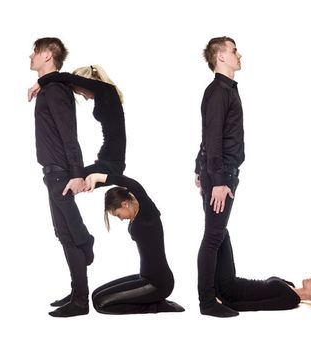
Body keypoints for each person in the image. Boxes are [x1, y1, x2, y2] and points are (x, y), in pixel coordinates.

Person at [30, 37, 93, 317]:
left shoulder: (55, 90)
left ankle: (87, 242)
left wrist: (77, 174)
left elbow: (69, 135)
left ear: (47, 55)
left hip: (61, 174)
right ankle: (78, 296)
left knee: (73, 234)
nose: (30, 56)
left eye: (35, 52)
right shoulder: (51, 87)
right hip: (52, 173)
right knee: (63, 234)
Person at [193, 36, 246, 317]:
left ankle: (222, 292)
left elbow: (208, 135)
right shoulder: (218, 91)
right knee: (213, 236)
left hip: (217, 172)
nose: (239, 55)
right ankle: (207, 302)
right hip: (221, 174)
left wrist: (198, 168)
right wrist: (220, 180)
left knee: (217, 233)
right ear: (221, 57)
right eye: (234, 50)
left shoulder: (225, 90)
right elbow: (212, 138)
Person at [85, 173, 184, 314]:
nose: (119, 219)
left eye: (118, 215)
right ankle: (154, 301)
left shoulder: (147, 212)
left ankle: (156, 305)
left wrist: (98, 177)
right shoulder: (134, 215)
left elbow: (133, 184)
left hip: (158, 283)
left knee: (101, 304)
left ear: (124, 204)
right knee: (95, 296)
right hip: (144, 277)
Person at [28, 64, 128, 180]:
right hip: (107, 161)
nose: (85, 97)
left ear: (87, 82)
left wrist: (40, 82)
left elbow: (64, 76)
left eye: (81, 92)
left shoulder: (107, 90)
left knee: (65, 180)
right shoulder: (105, 94)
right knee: (62, 179)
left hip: (112, 165)